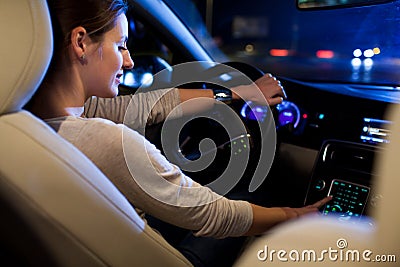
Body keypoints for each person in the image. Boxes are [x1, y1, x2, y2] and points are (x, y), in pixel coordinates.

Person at [27, 0, 332, 265]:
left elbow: (148, 105)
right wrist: (298, 218)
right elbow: (218, 216)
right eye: (120, 46)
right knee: (254, 194)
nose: (130, 60)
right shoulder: (108, 142)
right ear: (81, 42)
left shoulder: (28, 122)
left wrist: (237, 93)